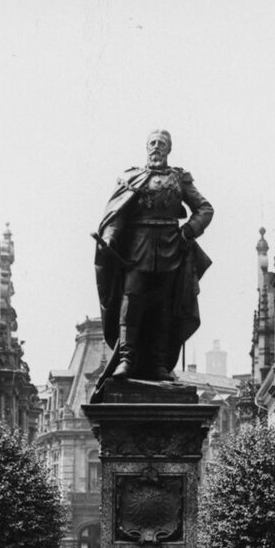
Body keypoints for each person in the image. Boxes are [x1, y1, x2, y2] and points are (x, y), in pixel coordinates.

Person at [93, 129, 214, 390]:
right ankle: (126, 359)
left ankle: (160, 364)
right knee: (130, 303)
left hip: (171, 249)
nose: (156, 148)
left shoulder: (179, 178)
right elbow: (116, 216)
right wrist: (111, 239)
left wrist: (187, 232)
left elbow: (205, 209)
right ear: (146, 147)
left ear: (169, 149)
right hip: (137, 249)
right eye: (152, 143)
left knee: (164, 308)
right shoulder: (130, 178)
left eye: (162, 144)